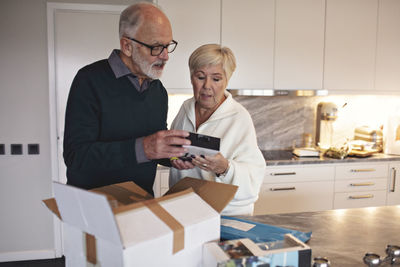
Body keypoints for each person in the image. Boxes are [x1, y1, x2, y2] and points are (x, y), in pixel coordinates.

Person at [63, 3, 191, 194]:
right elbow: (76, 156)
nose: (165, 56)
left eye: (167, 46)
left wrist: (173, 157)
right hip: (95, 206)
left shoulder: (157, 90)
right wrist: (144, 148)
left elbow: (153, 146)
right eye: (156, 47)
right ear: (127, 46)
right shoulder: (89, 80)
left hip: (140, 202)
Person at [169, 44, 266, 215]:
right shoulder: (185, 109)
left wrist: (225, 168)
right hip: (186, 209)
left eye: (216, 79)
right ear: (191, 77)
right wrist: (173, 158)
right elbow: (174, 150)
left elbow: (254, 178)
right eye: (200, 77)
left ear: (226, 81)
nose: (207, 85)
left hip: (227, 215)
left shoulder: (239, 117)